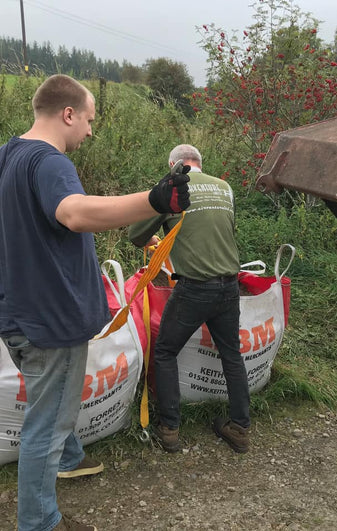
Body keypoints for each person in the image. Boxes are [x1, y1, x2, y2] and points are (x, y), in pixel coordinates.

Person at [0, 74, 190, 531]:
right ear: (67, 114)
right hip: (52, 322)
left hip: (19, 316)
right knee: (43, 429)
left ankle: (72, 457)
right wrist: (153, 199)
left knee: (48, 409)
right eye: (88, 120)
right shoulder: (51, 163)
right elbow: (75, 212)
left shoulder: (9, 155)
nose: (89, 131)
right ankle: (40, 523)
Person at [128, 144, 251, 455]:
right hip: (229, 286)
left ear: (174, 165)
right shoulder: (224, 187)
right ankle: (240, 427)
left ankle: (169, 428)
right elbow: (219, 231)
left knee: (166, 350)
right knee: (231, 355)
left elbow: (136, 236)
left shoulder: (172, 188)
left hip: (194, 289)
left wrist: (156, 239)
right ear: (200, 163)